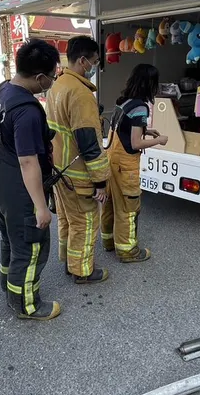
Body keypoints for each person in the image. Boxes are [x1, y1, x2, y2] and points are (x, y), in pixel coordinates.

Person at [0, 39, 61, 320]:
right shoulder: (27, 110)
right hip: (21, 188)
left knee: (10, 240)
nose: (52, 81)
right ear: (40, 76)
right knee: (30, 246)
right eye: (52, 76)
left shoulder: (3, 92)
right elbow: (28, 161)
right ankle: (26, 305)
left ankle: (10, 289)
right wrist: (41, 207)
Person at [47, 35, 110, 284]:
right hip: (79, 174)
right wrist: (101, 181)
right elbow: (89, 143)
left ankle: (69, 261)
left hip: (60, 169)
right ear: (83, 61)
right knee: (84, 222)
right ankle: (82, 271)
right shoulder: (81, 93)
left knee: (67, 219)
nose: (95, 67)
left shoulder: (58, 85)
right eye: (94, 61)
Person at [101, 64, 168, 262]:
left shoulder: (124, 102)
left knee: (111, 204)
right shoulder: (140, 107)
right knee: (129, 208)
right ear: (149, 84)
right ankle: (128, 251)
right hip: (126, 165)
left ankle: (109, 242)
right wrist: (158, 140)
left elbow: (124, 129)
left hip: (112, 160)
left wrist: (148, 130)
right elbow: (135, 142)